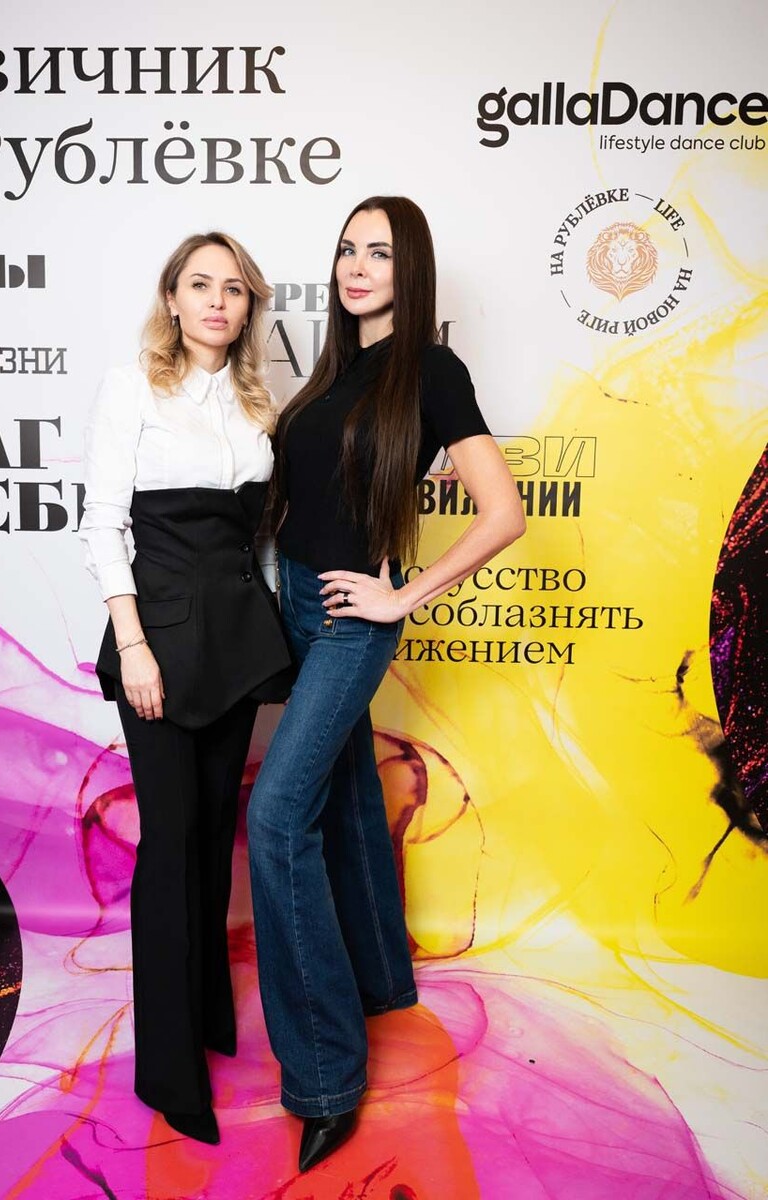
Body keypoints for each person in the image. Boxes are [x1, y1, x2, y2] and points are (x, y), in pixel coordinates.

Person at [246, 196, 526, 1172]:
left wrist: (402, 595)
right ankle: (379, 982)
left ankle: (326, 1076)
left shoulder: (431, 372)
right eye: (346, 250)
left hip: (347, 621)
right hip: (291, 604)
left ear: (411, 270)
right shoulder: (331, 372)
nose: (357, 266)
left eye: (379, 252)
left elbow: (503, 512)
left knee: (277, 818)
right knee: (344, 795)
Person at [80, 232, 293, 1147]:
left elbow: (264, 537)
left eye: (233, 289)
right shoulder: (132, 386)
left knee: (213, 836)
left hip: (237, 642)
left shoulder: (258, 403)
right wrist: (132, 646)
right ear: (172, 298)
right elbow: (101, 523)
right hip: (156, 642)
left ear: (248, 308)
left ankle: (209, 1016)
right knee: (169, 845)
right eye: (199, 285)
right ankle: (169, 1072)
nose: (216, 301)